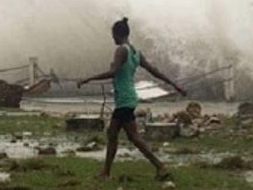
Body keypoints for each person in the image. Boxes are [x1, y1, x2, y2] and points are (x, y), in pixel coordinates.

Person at [78, 17, 186, 180]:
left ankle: (157, 167)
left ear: (117, 34)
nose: (112, 38)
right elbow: (154, 70)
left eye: (113, 35)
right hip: (129, 98)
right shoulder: (136, 52)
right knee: (122, 135)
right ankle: (112, 171)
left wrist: (88, 79)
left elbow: (113, 72)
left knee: (123, 135)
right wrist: (174, 84)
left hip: (124, 99)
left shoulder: (121, 50)